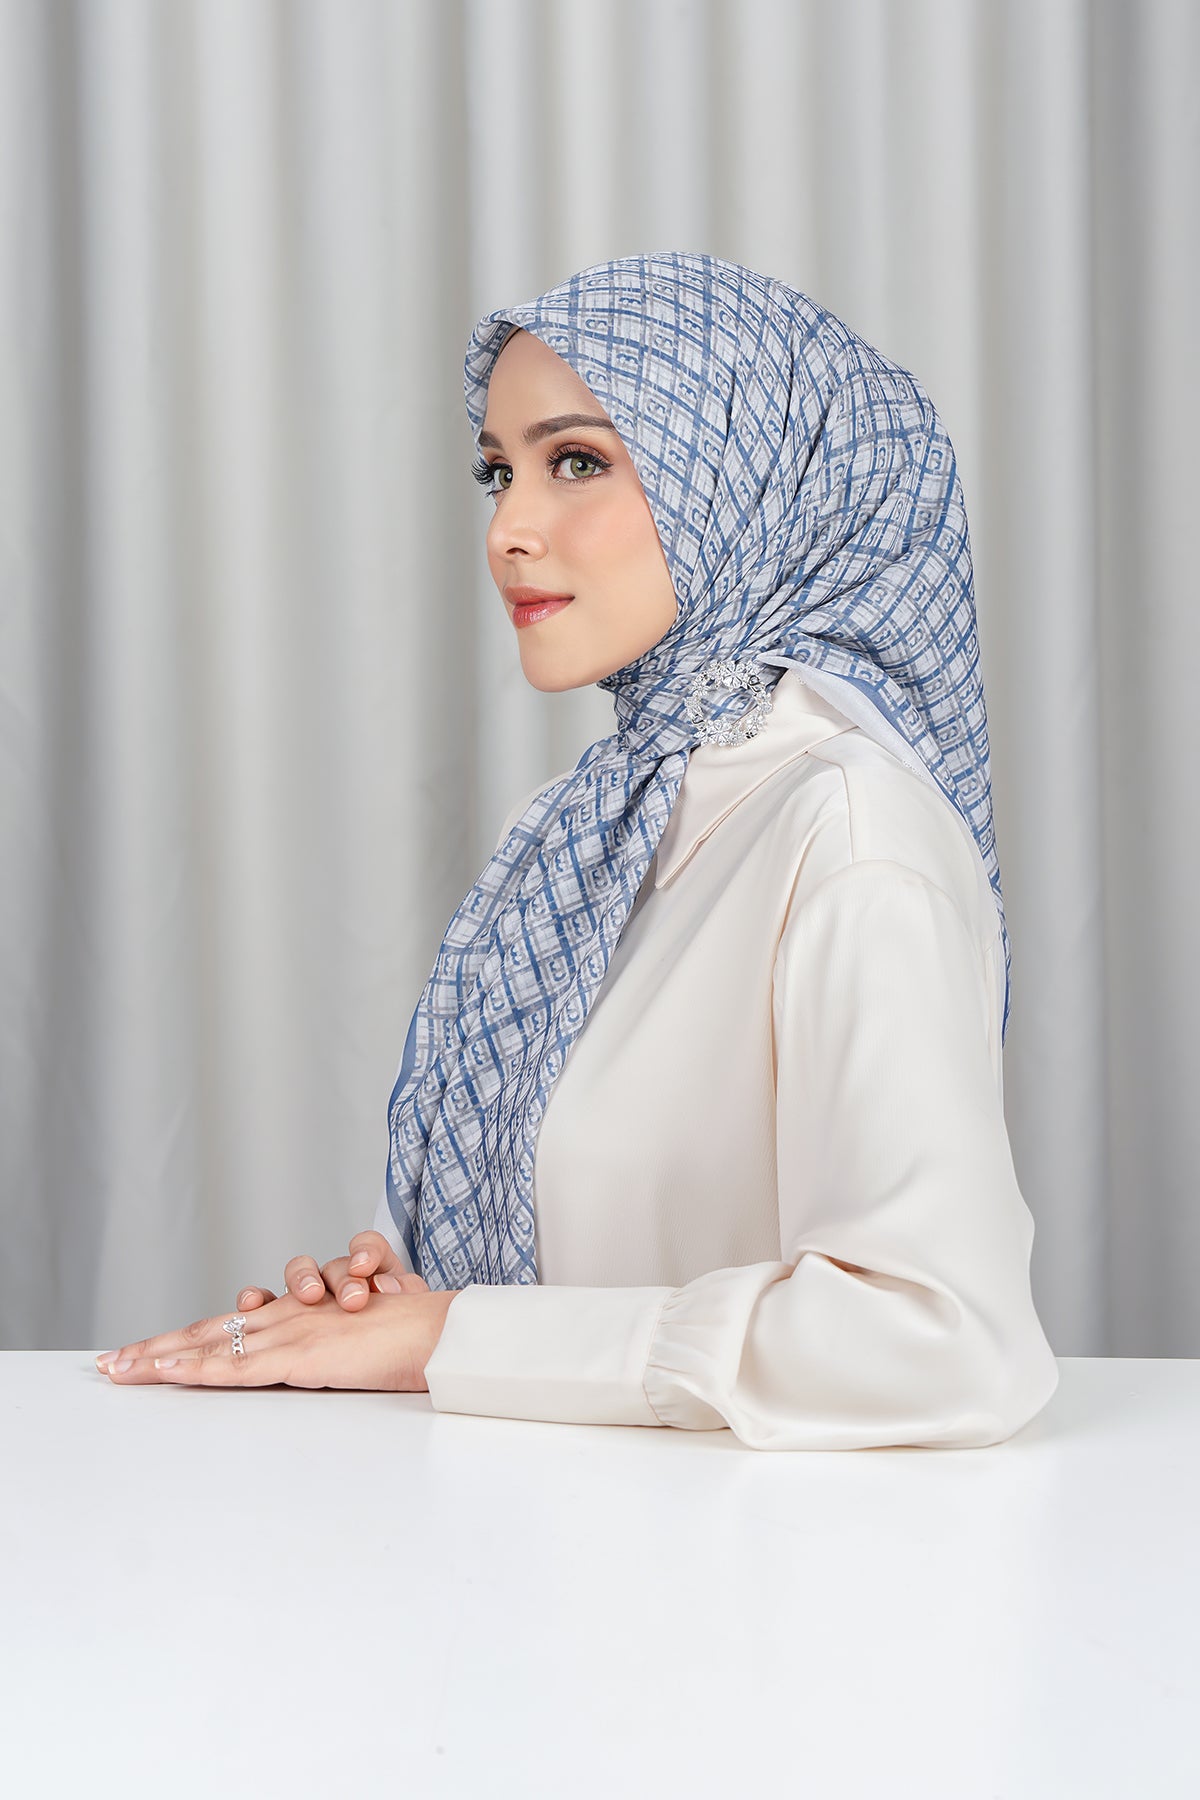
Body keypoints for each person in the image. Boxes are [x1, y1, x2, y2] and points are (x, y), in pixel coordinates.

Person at [95, 251, 1059, 1450]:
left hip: (763, 1561)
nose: (508, 530)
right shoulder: (577, 834)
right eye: (499, 472)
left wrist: (451, 1337)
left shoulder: (852, 839)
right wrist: (392, 1308)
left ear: (751, 480)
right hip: (536, 1534)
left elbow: (940, 1341)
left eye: (579, 462)